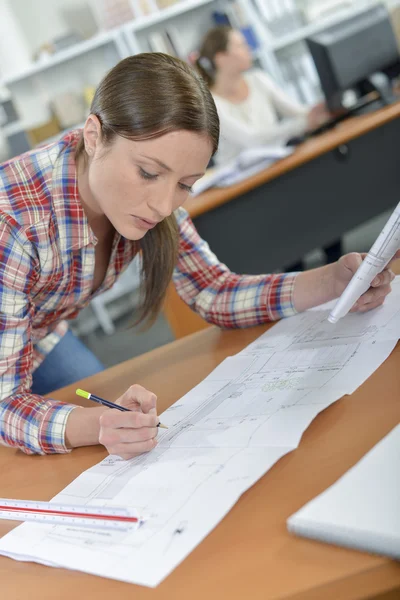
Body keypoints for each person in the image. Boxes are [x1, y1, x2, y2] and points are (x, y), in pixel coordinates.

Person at [0, 53, 396, 460]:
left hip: (40, 332)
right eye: (149, 173)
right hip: (17, 342)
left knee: (94, 428)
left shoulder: (150, 200)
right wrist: (94, 426)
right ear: (94, 136)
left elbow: (214, 291)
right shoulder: (13, 223)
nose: (162, 204)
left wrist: (331, 283)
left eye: (185, 184)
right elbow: (4, 405)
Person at [195, 26, 340, 268]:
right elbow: (252, 139)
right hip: (246, 188)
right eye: (240, 45)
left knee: (324, 201)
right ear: (221, 58)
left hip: (278, 168)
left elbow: (298, 113)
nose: (247, 49)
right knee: (288, 239)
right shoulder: (210, 104)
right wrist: (303, 122)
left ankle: (336, 265)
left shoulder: (258, 79)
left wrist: (319, 112)